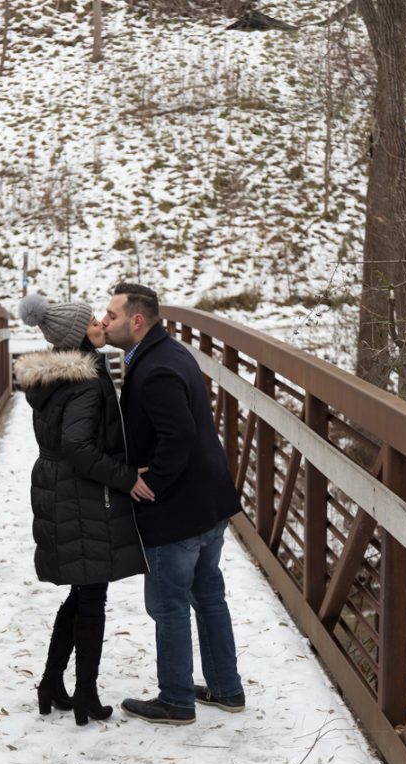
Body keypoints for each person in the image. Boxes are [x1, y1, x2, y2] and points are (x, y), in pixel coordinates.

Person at [101, 282, 245, 725]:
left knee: (169, 605)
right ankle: (226, 688)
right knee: (209, 595)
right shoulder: (171, 352)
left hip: (179, 509)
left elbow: (177, 435)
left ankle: (177, 699)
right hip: (209, 502)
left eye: (111, 316)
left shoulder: (156, 368)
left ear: (136, 320)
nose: (105, 322)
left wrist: (151, 484)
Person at [15, 294, 152, 726]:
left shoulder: (54, 375)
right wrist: (127, 476)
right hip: (80, 495)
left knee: (82, 590)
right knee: (93, 594)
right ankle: (85, 695)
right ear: (78, 335)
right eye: (92, 320)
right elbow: (78, 447)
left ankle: (52, 684)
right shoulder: (87, 381)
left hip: (59, 490)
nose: (100, 322)